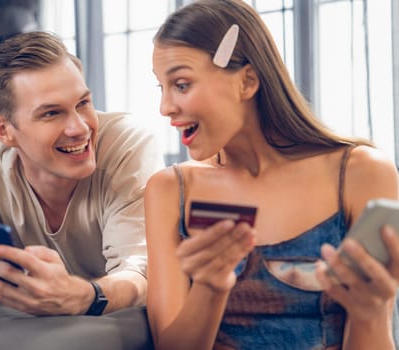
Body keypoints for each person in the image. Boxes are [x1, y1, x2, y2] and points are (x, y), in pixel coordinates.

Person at [145, 0, 399, 349]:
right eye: (161, 87)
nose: (165, 108)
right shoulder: (170, 190)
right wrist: (211, 286)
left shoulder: (360, 173)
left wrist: (372, 312)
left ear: (247, 81)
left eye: (182, 84)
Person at [0, 31, 164, 316]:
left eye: (83, 103)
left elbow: (143, 278)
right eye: (51, 113)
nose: (80, 128)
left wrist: (84, 297)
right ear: (4, 130)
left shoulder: (126, 144)